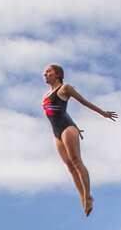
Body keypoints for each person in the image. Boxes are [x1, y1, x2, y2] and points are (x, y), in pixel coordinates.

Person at [42, 64, 117, 215]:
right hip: (57, 132)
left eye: (48, 71)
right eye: (45, 72)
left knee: (76, 161)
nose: (45, 74)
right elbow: (58, 114)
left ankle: (88, 196)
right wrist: (76, 125)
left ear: (57, 74)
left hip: (67, 129)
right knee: (69, 166)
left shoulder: (64, 88)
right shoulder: (45, 96)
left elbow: (84, 102)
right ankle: (82, 196)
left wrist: (103, 113)